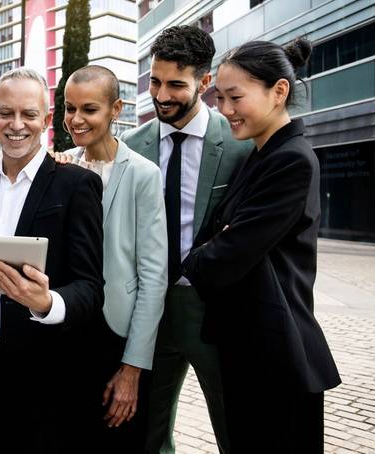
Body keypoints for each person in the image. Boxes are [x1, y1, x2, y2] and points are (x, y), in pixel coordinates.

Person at [182, 38, 341, 453]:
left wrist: (216, 244)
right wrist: (219, 239)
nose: (225, 110)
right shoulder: (258, 155)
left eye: (235, 97)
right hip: (250, 349)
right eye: (220, 98)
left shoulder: (291, 159)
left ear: (279, 91)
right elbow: (214, 240)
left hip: (278, 357)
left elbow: (218, 260)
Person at [0, 67, 108, 453]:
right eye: (6, 113)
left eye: (29, 114)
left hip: (47, 378)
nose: (16, 125)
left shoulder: (77, 185)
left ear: (46, 120)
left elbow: (91, 287)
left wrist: (47, 303)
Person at [120, 25, 252, 454]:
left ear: (205, 81)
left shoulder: (238, 145)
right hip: (149, 310)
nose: (161, 95)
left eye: (176, 85)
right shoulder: (133, 146)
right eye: (154, 82)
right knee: (147, 433)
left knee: (234, 424)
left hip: (212, 308)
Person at [57, 65, 167, 452]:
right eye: (69, 108)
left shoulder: (143, 174)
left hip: (116, 331)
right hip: (65, 327)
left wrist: (134, 367)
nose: (76, 120)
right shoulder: (58, 168)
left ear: (116, 109)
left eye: (89, 109)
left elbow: (154, 276)